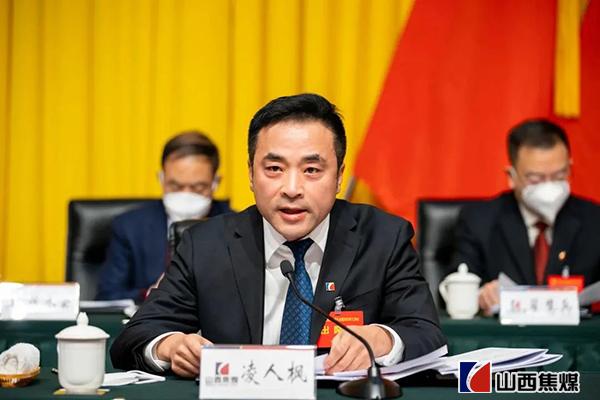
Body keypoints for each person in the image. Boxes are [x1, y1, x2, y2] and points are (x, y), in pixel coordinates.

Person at [110, 93, 445, 377]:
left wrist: (382, 339)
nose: (292, 189)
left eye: (312, 170)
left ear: (339, 176)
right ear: (250, 174)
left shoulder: (383, 238)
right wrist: (170, 346)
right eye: (274, 169)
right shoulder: (205, 244)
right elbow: (133, 337)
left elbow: (426, 332)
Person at [452, 119, 600, 315]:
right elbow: (456, 283)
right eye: (535, 179)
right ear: (511, 177)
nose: (549, 187)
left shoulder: (594, 220)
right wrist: (480, 295)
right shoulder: (480, 220)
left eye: (559, 176)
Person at [96, 131, 232, 302]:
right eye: (175, 186)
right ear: (161, 179)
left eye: (198, 188)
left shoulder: (237, 228)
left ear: (215, 183)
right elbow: (107, 295)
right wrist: (151, 293)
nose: (185, 195)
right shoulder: (129, 227)